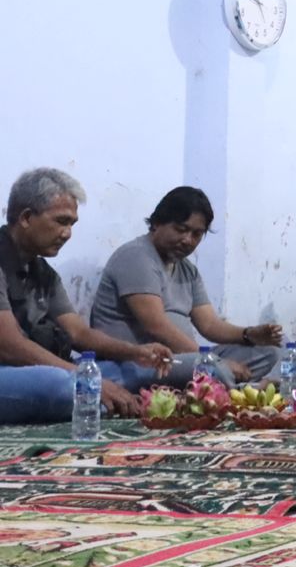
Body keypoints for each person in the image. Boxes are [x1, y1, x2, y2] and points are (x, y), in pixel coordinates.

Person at [0, 168, 172, 422]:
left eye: (72, 224)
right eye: (61, 221)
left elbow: (78, 333)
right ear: (26, 217)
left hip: (36, 371)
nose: (67, 233)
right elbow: (10, 347)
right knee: (61, 385)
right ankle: (99, 402)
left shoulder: (43, 271)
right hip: (14, 371)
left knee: (132, 370)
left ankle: (101, 401)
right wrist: (84, 378)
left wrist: (136, 352)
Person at [90, 186, 281, 385]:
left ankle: (234, 390)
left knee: (270, 354)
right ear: (156, 223)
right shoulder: (136, 256)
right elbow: (157, 326)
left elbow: (210, 325)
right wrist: (213, 361)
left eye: (197, 234)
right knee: (212, 369)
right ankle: (238, 394)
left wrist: (248, 334)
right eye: (181, 230)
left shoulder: (187, 269)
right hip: (139, 363)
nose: (188, 240)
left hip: (180, 359)